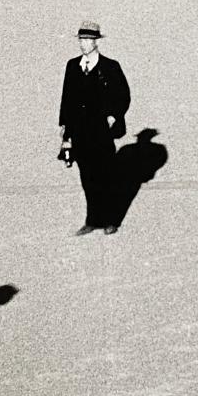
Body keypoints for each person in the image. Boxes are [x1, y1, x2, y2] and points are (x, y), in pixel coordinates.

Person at [59, 20, 130, 235]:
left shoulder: (110, 67)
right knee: (87, 178)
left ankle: (110, 220)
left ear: (96, 42)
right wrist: (65, 127)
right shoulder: (73, 66)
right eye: (81, 39)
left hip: (101, 131)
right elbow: (66, 98)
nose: (83, 44)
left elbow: (123, 95)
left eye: (87, 40)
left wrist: (113, 116)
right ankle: (92, 220)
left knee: (105, 175)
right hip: (79, 131)